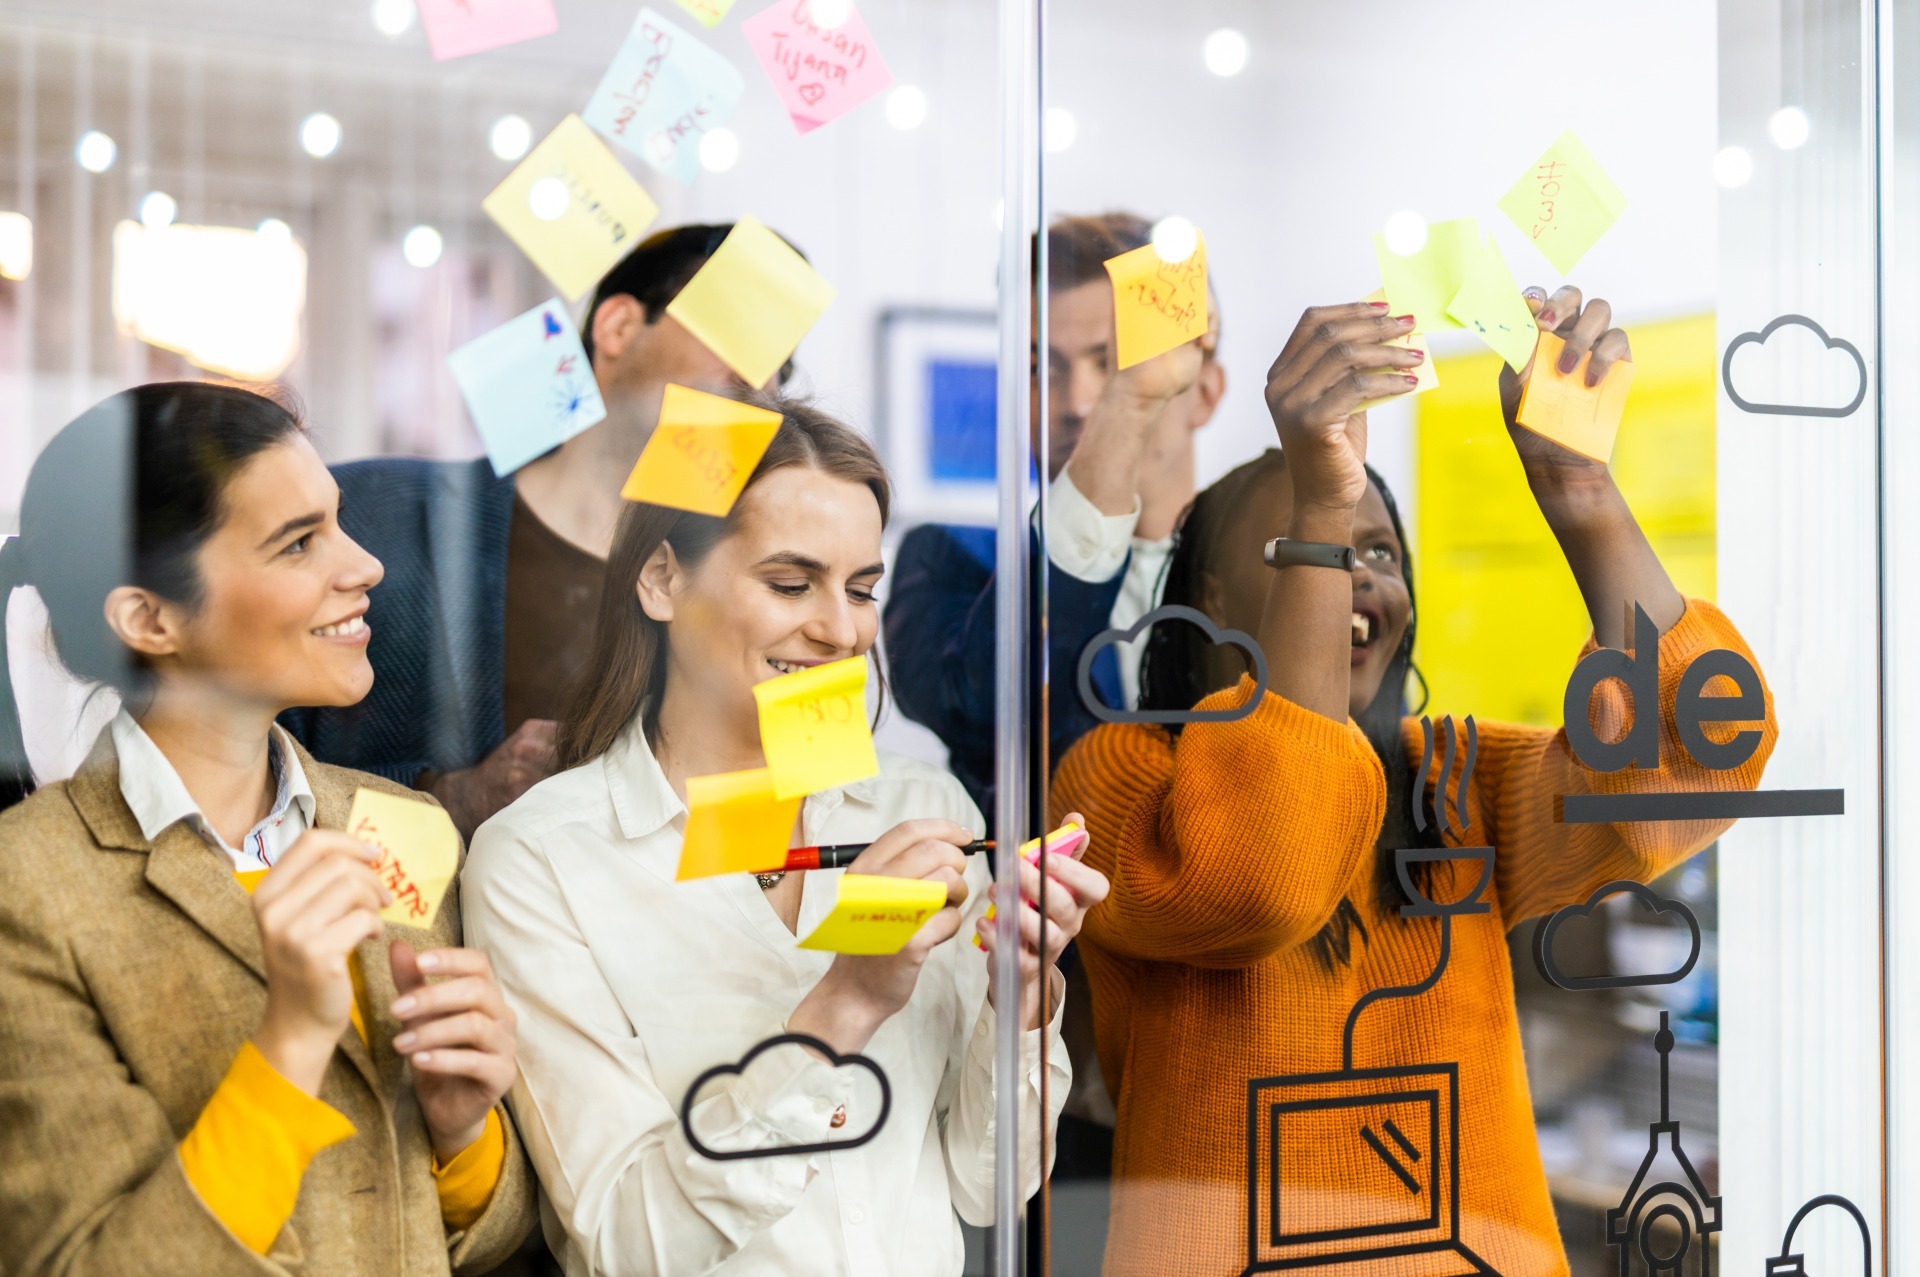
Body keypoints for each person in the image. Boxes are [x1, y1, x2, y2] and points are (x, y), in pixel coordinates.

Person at [1049, 288, 1779, 1275]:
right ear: (1212, 594)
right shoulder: (1120, 779)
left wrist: (1582, 492)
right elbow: (1269, 869)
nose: (1359, 574)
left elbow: (1697, 758)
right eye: (1312, 545)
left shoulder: (1454, 777)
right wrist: (1321, 500)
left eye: (1380, 551)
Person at [461, 396, 1111, 1275]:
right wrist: (844, 1003)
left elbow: (989, 1188)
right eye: (790, 583)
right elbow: (626, 1241)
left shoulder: (918, 803)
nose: (840, 629)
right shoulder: (542, 857)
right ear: (660, 579)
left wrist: (1020, 993)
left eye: (862, 588)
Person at [0, 383, 536, 1273]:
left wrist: (464, 1132)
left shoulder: (398, 822)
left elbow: (474, 1225)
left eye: (339, 521)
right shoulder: (30, 887)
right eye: (298, 543)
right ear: (149, 618)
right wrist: (287, 1039)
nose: (364, 565)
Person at [282, 223, 799, 840]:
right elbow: (241, 758)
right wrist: (451, 798)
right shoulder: (367, 513)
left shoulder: (744, 584)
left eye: (783, 368)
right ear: (617, 328)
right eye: (744, 340)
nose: (763, 386)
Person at [883, 212, 1225, 816]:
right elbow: (985, 711)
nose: (1081, 402)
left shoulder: (1268, 568)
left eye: (1112, 362)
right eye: (1041, 369)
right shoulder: (949, 560)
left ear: (1204, 390)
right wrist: (1131, 402)